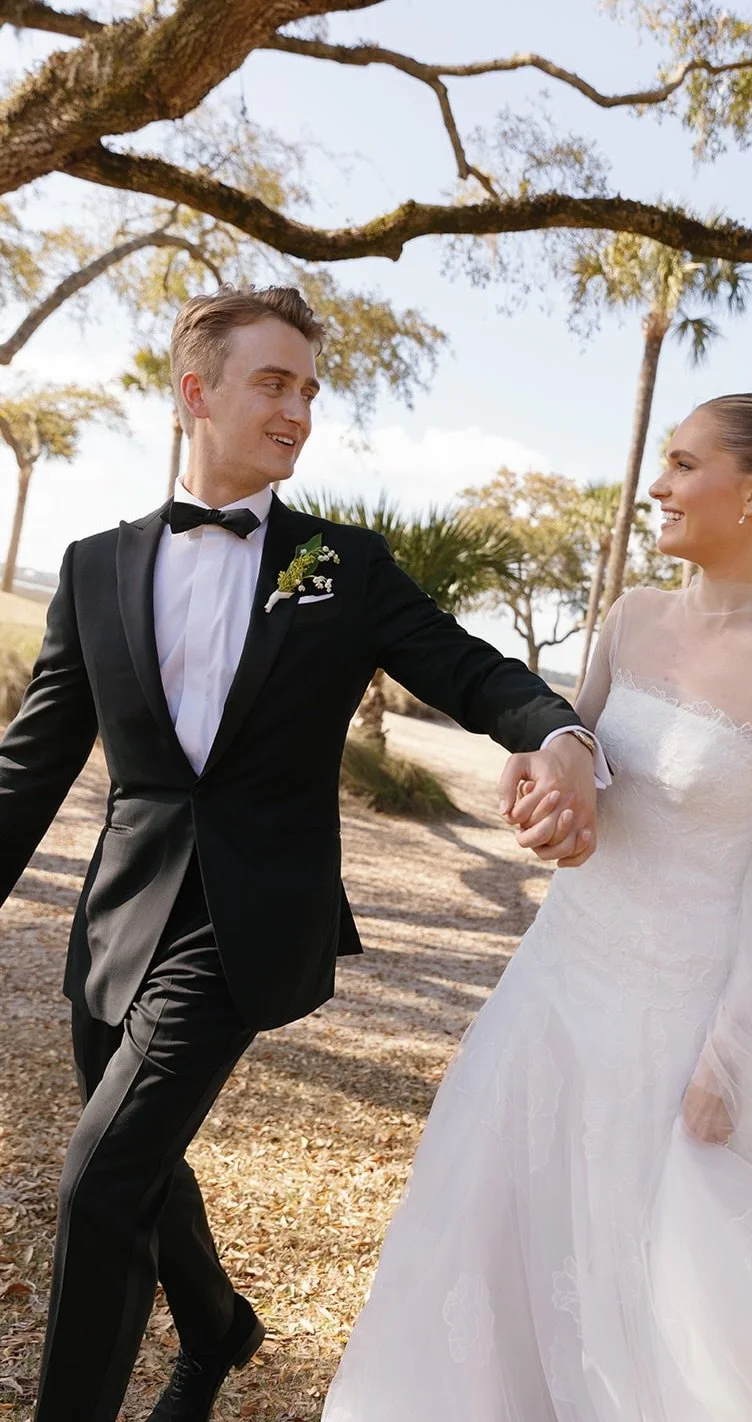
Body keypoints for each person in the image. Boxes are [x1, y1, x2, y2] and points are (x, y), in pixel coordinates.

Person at [323, 388, 752, 1421]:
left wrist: (725, 1058)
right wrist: (542, 779)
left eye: (680, 464)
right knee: (497, 1244)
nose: (654, 485)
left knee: (676, 1307)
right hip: (557, 986)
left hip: (678, 1023)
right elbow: (583, 767)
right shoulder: (631, 617)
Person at [0, 284, 607, 1422]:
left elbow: (470, 668)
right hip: (116, 924)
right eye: (272, 384)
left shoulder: (344, 565)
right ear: (198, 392)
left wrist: (557, 731)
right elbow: (30, 766)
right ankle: (219, 1327)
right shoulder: (90, 568)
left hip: (248, 923)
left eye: (308, 391)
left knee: (99, 1183)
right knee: (136, 1157)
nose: (298, 413)